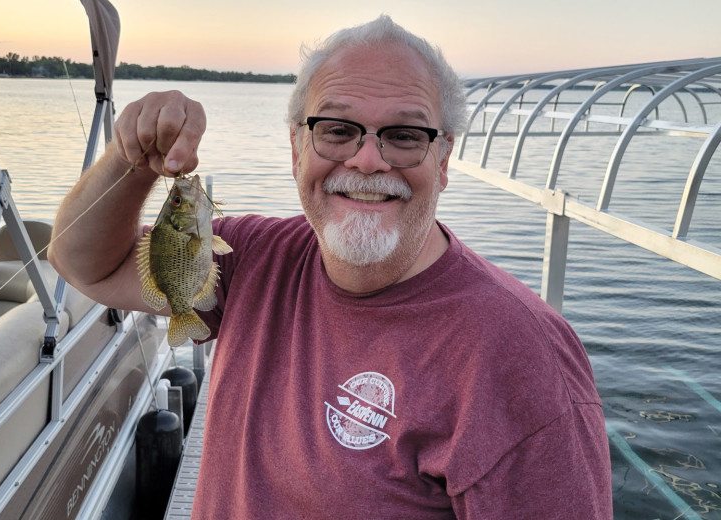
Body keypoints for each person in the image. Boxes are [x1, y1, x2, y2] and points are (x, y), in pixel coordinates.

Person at [49, 15, 612, 519]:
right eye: (337, 130)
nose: (367, 160)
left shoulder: (521, 358)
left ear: (443, 160)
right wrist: (132, 160)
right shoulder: (250, 257)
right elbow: (85, 264)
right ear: (297, 149)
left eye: (405, 135)